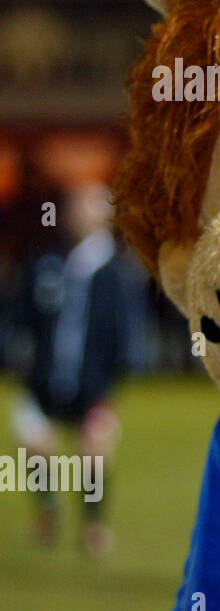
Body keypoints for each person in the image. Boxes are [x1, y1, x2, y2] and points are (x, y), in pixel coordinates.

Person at [5, 183, 147, 556]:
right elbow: (20, 316)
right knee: (36, 449)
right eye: (78, 206)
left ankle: (93, 525)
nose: (83, 214)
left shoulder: (117, 272)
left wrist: (110, 392)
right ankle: (47, 513)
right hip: (44, 381)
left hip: (93, 385)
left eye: (92, 207)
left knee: (93, 454)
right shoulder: (47, 261)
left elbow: (125, 335)